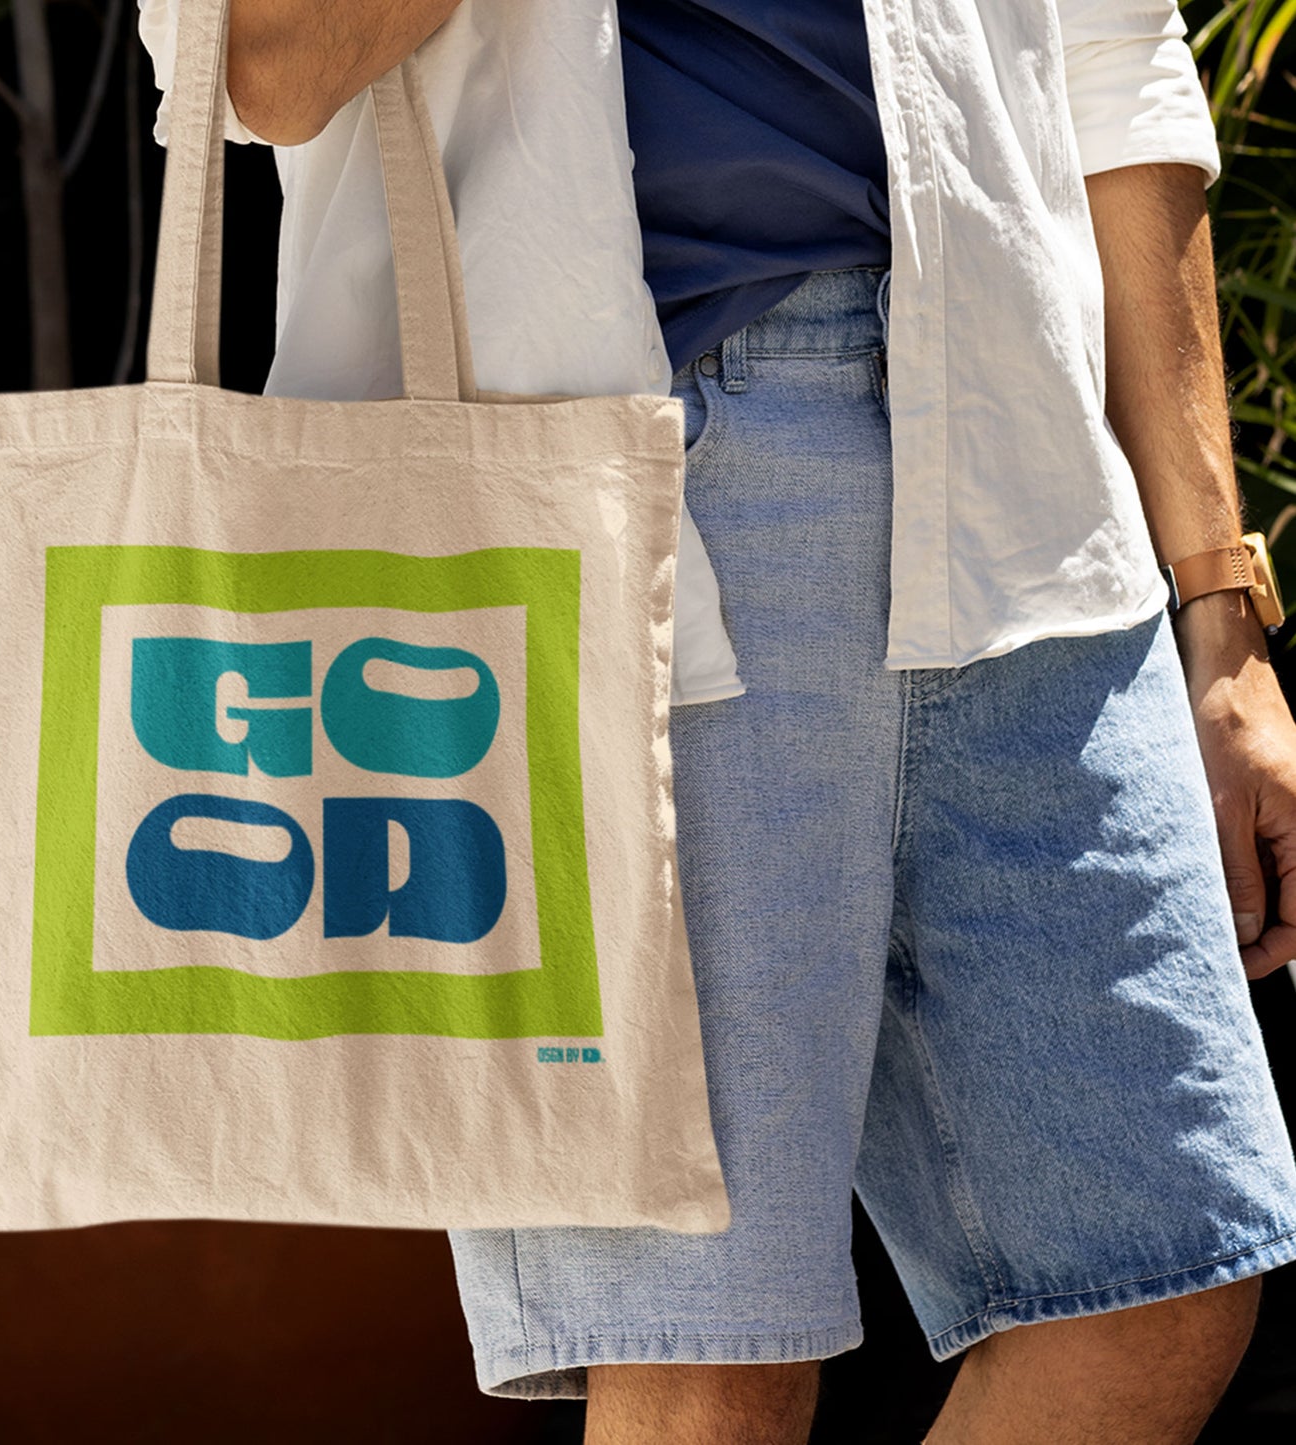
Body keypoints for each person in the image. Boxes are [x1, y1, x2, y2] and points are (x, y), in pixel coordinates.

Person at [141, 2, 1296, 1440]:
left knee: (1157, 1275)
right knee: (706, 1368)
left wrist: (1217, 607)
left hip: (1026, 481)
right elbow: (257, 63)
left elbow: (1112, 64)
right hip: (618, 497)